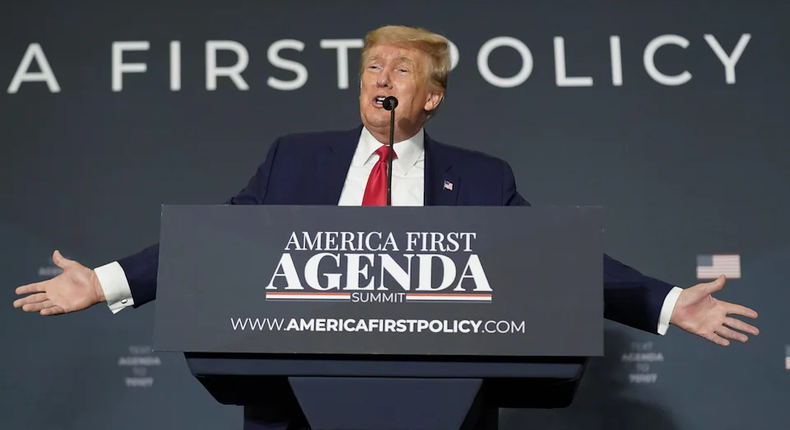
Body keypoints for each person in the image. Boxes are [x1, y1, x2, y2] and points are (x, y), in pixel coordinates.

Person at [13, 24, 758, 430]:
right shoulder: (294, 161)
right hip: (292, 395)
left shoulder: (482, 177)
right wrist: (104, 281)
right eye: (374, 66)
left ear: (431, 97)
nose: (381, 78)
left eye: (402, 71)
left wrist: (663, 302)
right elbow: (214, 248)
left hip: (442, 392)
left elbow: (555, 262)